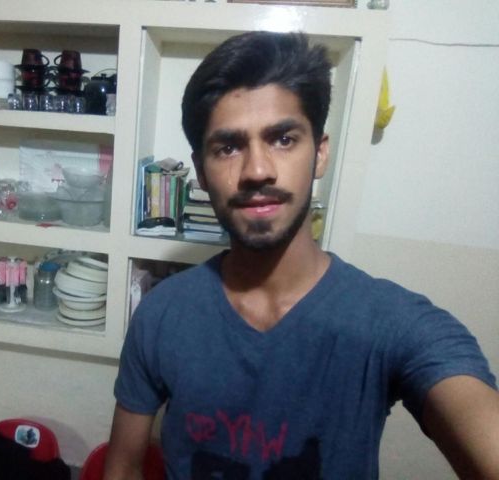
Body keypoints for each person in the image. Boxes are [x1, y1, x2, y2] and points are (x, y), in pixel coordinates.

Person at [104, 31, 499, 479]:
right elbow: (123, 467)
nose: (257, 170)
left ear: (320, 153)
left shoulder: (391, 323)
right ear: (202, 171)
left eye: (283, 139)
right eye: (228, 147)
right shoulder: (162, 313)